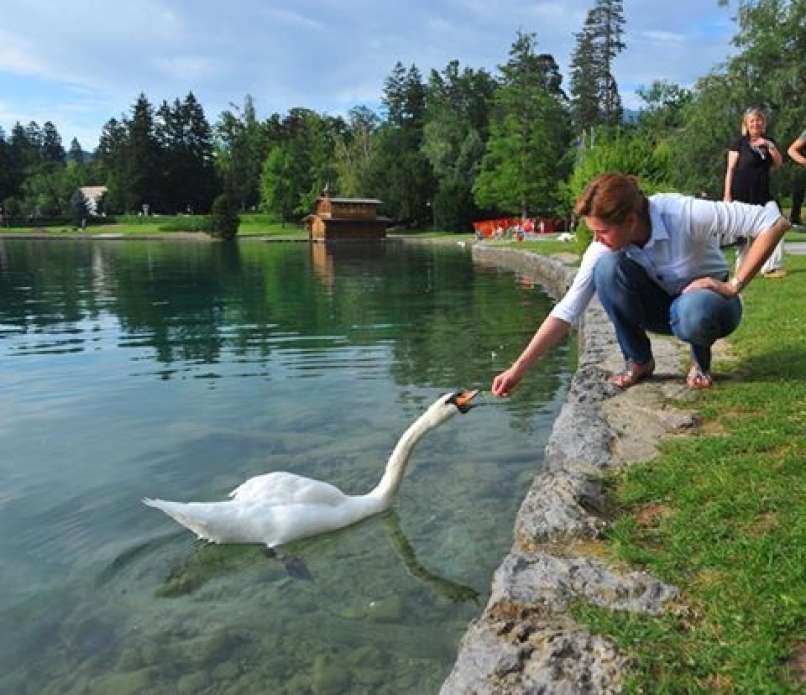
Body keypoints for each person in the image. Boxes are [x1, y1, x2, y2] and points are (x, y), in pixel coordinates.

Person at [491, 173, 790, 396]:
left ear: (631, 220)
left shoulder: (684, 213)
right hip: (664, 308)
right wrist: (519, 369)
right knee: (606, 270)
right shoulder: (604, 248)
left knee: (695, 308)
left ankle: (700, 362)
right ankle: (639, 361)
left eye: (602, 231)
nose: (597, 239)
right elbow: (567, 310)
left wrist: (734, 285)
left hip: (712, 307)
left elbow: (774, 222)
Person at [724, 107, 785, 277]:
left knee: (777, 222)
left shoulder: (769, 142)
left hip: (763, 193)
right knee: (743, 233)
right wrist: (727, 195)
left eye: (758, 120)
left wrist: (770, 146)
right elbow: (730, 169)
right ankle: (742, 268)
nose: (755, 123)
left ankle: (772, 267)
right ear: (746, 124)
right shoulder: (739, 143)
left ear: (763, 123)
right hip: (741, 192)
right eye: (752, 121)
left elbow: (779, 164)